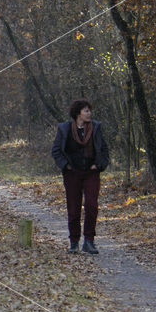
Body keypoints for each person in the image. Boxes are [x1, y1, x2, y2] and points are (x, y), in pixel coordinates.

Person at [51, 99, 109, 254]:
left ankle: (89, 241)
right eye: (86, 111)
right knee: (73, 208)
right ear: (78, 113)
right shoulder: (65, 129)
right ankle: (74, 242)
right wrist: (66, 166)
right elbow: (56, 151)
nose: (89, 113)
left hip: (91, 173)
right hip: (72, 174)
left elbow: (104, 149)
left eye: (89, 110)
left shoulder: (96, 128)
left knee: (91, 206)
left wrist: (99, 165)